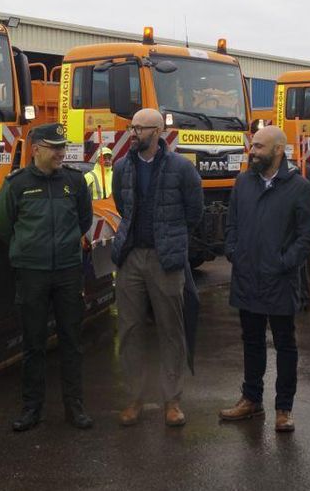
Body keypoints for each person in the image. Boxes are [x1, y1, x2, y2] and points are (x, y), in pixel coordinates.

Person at [0, 123, 95, 433]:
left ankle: (74, 408)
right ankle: (31, 409)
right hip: (31, 273)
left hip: (67, 271)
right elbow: (3, 227)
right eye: (54, 147)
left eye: (62, 146)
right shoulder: (17, 184)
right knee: (33, 343)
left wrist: (63, 247)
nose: (61, 152)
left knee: (71, 342)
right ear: (35, 148)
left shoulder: (75, 182)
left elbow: (84, 220)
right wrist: (30, 250)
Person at [218, 126, 310, 432]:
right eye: (253, 146)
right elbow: (232, 222)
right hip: (247, 276)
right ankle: (251, 399)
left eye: (260, 147)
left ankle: (284, 408)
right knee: (251, 341)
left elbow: (307, 236)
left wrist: (285, 262)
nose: (253, 151)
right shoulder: (243, 182)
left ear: (278, 151)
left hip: (281, 280)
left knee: (285, 343)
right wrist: (233, 250)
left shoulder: (299, 187)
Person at [111, 108, 203, 427]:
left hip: (166, 259)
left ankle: (172, 401)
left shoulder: (181, 168)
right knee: (131, 329)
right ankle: (134, 398)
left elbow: (195, 211)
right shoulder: (121, 166)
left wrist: (172, 238)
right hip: (131, 256)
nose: (133, 133)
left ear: (158, 131)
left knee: (171, 329)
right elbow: (122, 206)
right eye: (132, 127)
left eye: (140, 128)